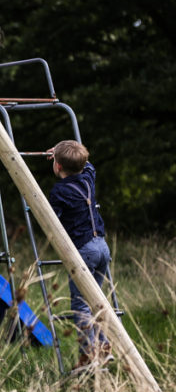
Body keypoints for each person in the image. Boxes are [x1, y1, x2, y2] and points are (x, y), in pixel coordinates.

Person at [47, 140, 113, 369]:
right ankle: (103, 345)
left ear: (57, 167)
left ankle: (89, 352)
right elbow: (90, 167)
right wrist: (62, 151)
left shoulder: (59, 192)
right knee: (96, 300)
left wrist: (56, 152)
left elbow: (51, 220)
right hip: (102, 247)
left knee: (81, 304)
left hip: (83, 249)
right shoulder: (88, 180)